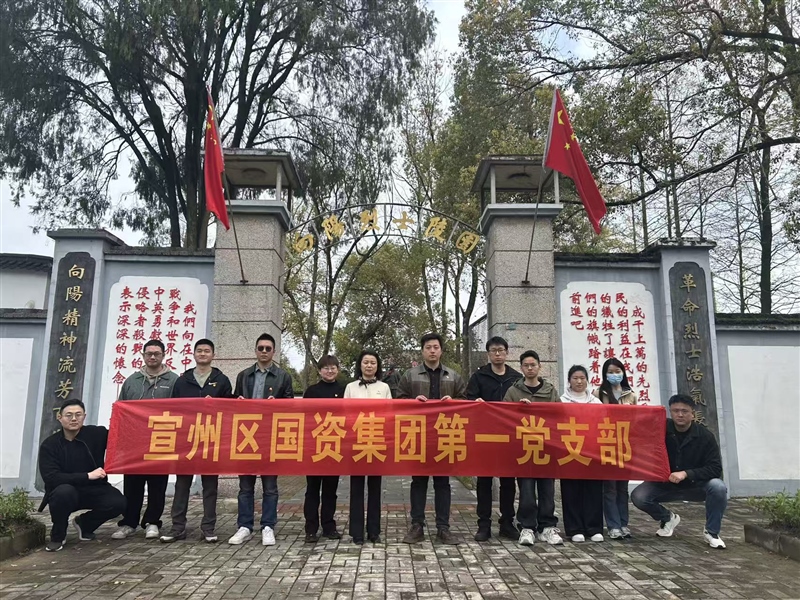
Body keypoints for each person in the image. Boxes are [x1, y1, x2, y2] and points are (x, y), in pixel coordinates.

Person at [631, 394, 728, 549]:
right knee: (639, 496)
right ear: (670, 412)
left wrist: (686, 473)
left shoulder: (705, 436)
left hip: (696, 486)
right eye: (676, 411)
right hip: (665, 485)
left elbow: (715, 468)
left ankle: (712, 532)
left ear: (693, 414)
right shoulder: (660, 431)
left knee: (718, 487)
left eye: (684, 411)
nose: (680, 415)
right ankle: (667, 518)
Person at [160, 339, 233, 544]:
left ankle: (208, 528)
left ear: (213, 355)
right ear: (193, 354)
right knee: (182, 485)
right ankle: (177, 527)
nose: (202, 354)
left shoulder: (222, 380)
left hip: (211, 438)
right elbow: (174, 409)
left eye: (206, 351)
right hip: (187, 439)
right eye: (199, 350)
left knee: (210, 486)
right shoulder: (183, 380)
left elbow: (229, 408)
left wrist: (216, 405)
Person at [398, 333, 467, 545]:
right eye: (428, 347)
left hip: (445, 434)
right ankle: (417, 525)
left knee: (443, 483)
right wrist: (412, 401)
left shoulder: (453, 376)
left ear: (441, 350)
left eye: (436, 347)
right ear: (422, 351)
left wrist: (453, 401)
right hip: (419, 434)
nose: (432, 351)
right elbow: (398, 400)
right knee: (418, 482)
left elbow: (465, 401)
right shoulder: (410, 375)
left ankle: (443, 528)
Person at [228, 332, 294, 546]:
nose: (264, 352)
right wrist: (237, 401)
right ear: (255, 350)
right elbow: (234, 401)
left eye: (268, 348)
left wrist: (279, 404)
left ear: (274, 352)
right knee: (245, 486)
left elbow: (291, 405)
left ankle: (268, 526)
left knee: (270, 486)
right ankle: (244, 526)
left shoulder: (283, 376)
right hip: (246, 435)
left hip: (269, 436)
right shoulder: (244, 375)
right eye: (261, 348)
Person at [38, 399, 126, 552]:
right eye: (69, 415)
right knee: (63, 492)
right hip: (65, 492)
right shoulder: (50, 445)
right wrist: (87, 476)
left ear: (84, 416)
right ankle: (58, 536)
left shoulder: (96, 434)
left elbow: (122, 437)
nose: (74, 419)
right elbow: (52, 478)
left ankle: (85, 524)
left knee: (118, 502)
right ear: (59, 417)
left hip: (94, 489)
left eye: (78, 415)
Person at [112, 339, 178, 540]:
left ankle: (152, 522)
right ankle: (129, 522)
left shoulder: (174, 381)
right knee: (133, 485)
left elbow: (180, 411)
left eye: (157, 353)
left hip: (161, 440)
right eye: (149, 353)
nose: (152, 357)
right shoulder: (132, 381)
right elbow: (121, 410)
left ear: (164, 355)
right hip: (134, 442)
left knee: (158, 485)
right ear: (142, 355)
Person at [503, 350, 564, 546]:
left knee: (547, 491)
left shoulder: (550, 391)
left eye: (533, 365)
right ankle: (527, 527)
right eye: (526, 365)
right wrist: (518, 410)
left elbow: (560, 416)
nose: (530, 368)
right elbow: (504, 417)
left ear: (540, 366)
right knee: (527, 492)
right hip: (524, 450)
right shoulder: (513, 392)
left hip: (547, 449)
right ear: (521, 368)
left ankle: (547, 527)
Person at [466, 336, 522, 541]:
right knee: (484, 481)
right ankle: (484, 524)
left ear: (507, 353)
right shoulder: (479, 376)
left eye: (501, 350)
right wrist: (476, 402)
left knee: (508, 481)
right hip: (485, 435)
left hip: (509, 436)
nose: (497, 354)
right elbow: (468, 400)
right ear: (488, 354)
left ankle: (507, 522)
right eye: (493, 351)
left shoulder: (516, 378)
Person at [344, 350, 393, 544]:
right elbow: (345, 414)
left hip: (377, 441)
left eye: (373, 362)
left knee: (375, 487)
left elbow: (389, 413)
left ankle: (374, 531)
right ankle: (356, 532)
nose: (369, 365)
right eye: (366, 362)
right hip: (356, 442)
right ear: (360, 365)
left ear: (377, 366)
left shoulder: (384, 387)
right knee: (356, 487)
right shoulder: (350, 387)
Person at [302, 355, 346, 543]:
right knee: (312, 490)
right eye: (326, 368)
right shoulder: (311, 391)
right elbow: (304, 418)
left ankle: (329, 526)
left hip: (335, 446)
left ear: (338, 370)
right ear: (320, 371)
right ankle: (311, 528)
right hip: (315, 447)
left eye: (333, 367)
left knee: (330, 490)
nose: (330, 371)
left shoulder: (344, 391)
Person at [593, 357, 638, 540]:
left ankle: (624, 523)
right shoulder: (599, 393)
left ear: (623, 373)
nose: (614, 375)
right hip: (606, 444)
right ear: (605, 374)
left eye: (617, 371)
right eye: (610, 372)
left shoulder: (630, 394)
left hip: (625, 445)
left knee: (622, 488)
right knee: (609, 488)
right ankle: (613, 525)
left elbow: (636, 421)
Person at [559, 365, 604, 543]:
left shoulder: (596, 402)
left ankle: (594, 528)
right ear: (569, 381)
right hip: (569, 451)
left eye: (582, 378)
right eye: (575, 378)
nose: (579, 381)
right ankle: (574, 528)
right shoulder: (561, 401)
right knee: (571, 490)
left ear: (587, 380)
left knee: (593, 490)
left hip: (591, 451)